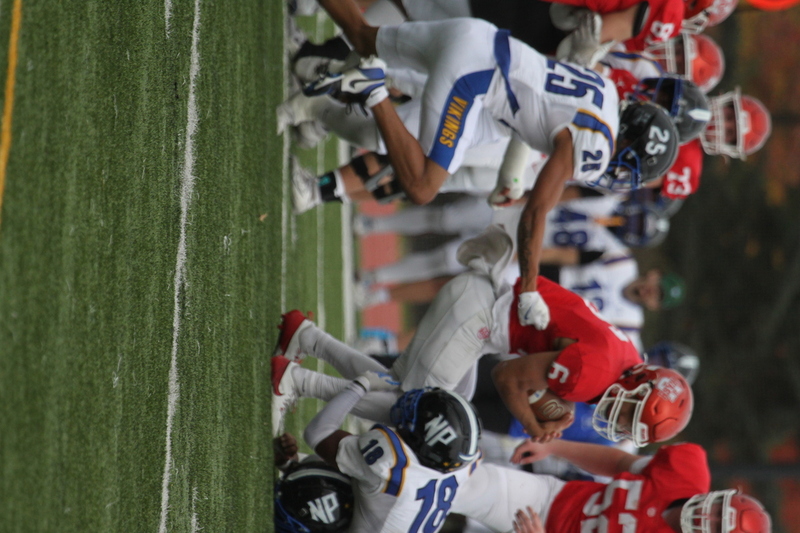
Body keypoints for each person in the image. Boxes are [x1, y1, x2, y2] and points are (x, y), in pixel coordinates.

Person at [273, 226, 693, 445]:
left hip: (488, 312)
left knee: (408, 387)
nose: (619, 423)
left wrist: (547, 404)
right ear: (639, 384)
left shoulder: (619, 360)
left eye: (627, 426)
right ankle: (295, 380)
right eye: (630, 415)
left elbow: (537, 367)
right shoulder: (599, 370)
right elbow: (507, 378)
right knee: (414, 410)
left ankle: (304, 337)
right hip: (482, 317)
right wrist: (533, 424)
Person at [449, 438, 772, 533]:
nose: (708, 518)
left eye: (717, 528)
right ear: (719, 496)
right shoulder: (685, 472)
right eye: (718, 511)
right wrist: (555, 448)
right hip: (549, 500)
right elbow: (619, 463)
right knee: (465, 485)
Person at [303, 379, 483, 533]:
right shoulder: (459, 468)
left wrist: (360, 386)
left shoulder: (393, 464)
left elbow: (317, 433)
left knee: (321, 480)